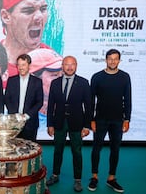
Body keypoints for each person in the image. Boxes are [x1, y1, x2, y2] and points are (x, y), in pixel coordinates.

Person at [88, 49, 131, 193]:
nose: (113, 61)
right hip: (100, 119)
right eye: (110, 58)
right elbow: (90, 101)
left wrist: (127, 119)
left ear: (119, 60)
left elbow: (128, 99)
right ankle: (94, 176)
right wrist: (91, 120)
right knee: (96, 148)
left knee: (115, 149)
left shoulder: (125, 77)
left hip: (118, 120)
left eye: (116, 59)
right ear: (106, 60)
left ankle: (111, 178)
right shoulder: (97, 77)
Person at [46, 56, 92, 192]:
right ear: (62, 66)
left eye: (72, 64)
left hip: (77, 123)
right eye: (67, 64)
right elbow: (50, 106)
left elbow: (88, 106)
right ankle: (55, 175)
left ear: (76, 66)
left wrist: (86, 126)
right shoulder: (55, 83)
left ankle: (77, 180)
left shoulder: (83, 83)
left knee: (77, 152)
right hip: (59, 122)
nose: (69, 67)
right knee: (57, 150)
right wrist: (50, 124)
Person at [0, 0, 53, 78]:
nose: (39, 17)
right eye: (29, 10)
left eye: (43, 9)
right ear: (6, 16)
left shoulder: (54, 62)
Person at [4, 54, 43, 142]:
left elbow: (39, 102)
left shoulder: (37, 82)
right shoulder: (11, 80)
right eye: (19, 65)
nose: (21, 67)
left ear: (29, 65)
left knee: (30, 151)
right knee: (14, 150)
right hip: (14, 123)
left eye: (23, 65)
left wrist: (26, 116)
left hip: (30, 122)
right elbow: (7, 99)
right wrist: (16, 115)